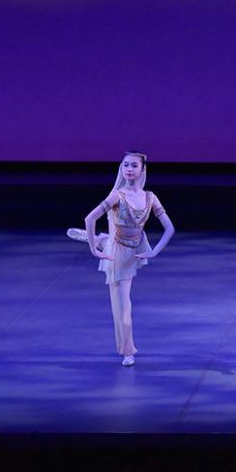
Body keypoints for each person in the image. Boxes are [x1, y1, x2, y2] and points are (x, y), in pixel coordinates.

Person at [67, 151, 174, 366]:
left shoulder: (150, 197)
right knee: (123, 307)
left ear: (143, 170)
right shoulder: (117, 195)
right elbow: (90, 218)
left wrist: (154, 251)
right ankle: (128, 351)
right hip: (117, 253)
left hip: (137, 245)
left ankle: (100, 238)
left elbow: (170, 228)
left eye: (134, 165)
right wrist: (93, 250)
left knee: (110, 241)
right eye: (125, 165)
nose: (129, 169)